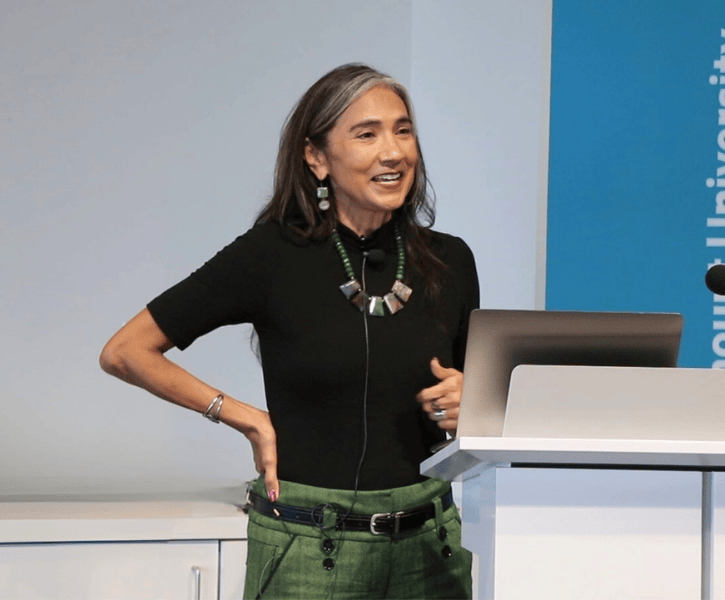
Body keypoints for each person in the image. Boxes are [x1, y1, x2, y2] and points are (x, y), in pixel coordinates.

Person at [99, 63, 478, 599]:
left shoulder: (451, 261)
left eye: (403, 130)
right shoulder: (272, 254)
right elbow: (125, 351)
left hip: (430, 550)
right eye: (367, 134)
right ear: (316, 157)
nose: (393, 152)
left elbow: (473, 403)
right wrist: (244, 417)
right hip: (308, 550)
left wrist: (470, 401)